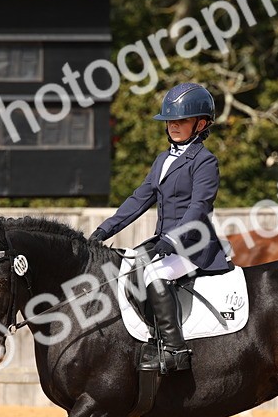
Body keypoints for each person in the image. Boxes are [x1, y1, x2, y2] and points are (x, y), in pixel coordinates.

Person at [89, 82, 229, 373]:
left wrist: (172, 239)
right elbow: (139, 199)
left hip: (194, 244)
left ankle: (176, 350)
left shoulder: (205, 161)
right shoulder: (163, 160)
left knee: (154, 273)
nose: (174, 126)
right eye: (170, 121)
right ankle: (149, 341)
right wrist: (104, 231)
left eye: (182, 121)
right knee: (129, 268)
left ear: (201, 124)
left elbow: (198, 209)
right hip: (164, 241)